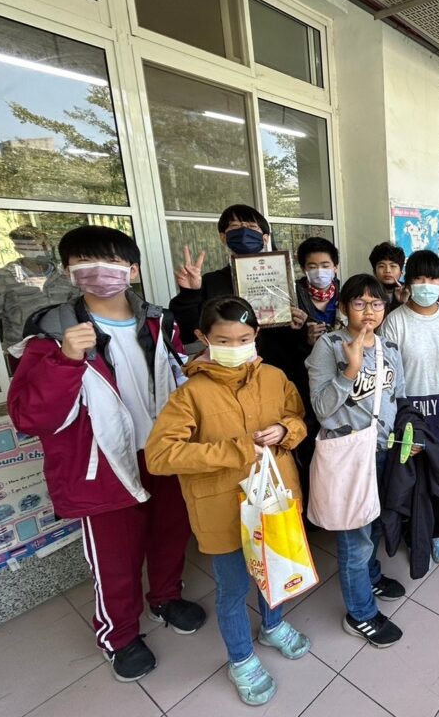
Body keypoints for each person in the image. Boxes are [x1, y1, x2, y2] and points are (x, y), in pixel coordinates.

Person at [7, 226, 205, 683]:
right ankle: (119, 636)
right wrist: (65, 360)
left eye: (112, 262)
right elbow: (30, 416)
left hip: (163, 453)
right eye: (85, 262)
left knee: (170, 534)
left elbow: (178, 377)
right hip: (103, 464)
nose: (99, 272)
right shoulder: (51, 333)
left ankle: (165, 598)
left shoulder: (159, 322)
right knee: (115, 557)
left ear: (132, 270)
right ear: (68, 270)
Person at [146, 296, 311, 705]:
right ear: (203, 338)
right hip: (223, 509)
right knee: (233, 588)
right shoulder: (191, 394)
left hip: (273, 501)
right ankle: (241, 658)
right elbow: (160, 455)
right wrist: (234, 450)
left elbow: (298, 419)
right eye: (223, 340)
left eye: (243, 339)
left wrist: (284, 430)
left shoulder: (274, 376)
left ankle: (272, 626)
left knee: (275, 570)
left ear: (256, 336)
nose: (235, 347)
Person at [307, 275, 408, 648]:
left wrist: (405, 438)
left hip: (382, 452)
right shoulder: (328, 345)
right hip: (348, 455)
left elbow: (398, 397)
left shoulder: (389, 347)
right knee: (355, 537)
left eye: (377, 303)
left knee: (375, 521)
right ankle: (360, 614)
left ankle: (371, 576)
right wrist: (350, 370)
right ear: (344, 307)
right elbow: (321, 409)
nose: (369, 311)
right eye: (360, 303)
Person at [381, 250, 439, 564]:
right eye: (419, 278)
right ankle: (414, 531)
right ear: (408, 282)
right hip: (410, 416)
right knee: (413, 480)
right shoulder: (395, 321)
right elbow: (388, 375)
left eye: (433, 278)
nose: (426, 285)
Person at [259, 236, 341, 499]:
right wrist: (302, 339)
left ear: (335, 267)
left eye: (325, 265)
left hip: (340, 380)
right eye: (312, 266)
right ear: (303, 268)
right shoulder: (288, 296)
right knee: (308, 442)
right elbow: (273, 347)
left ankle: (335, 497)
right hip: (302, 382)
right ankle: (311, 499)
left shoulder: (346, 296)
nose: (319, 271)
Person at [170, 205, 311, 347]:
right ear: (223, 237)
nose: (244, 231)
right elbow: (186, 334)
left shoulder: (283, 280)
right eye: (235, 226)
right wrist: (189, 294)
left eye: (252, 226)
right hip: (229, 359)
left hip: (278, 359)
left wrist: (301, 325)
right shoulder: (210, 282)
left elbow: (299, 337)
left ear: (265, 238)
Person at [0, 225, 78, 357]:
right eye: (32, 247)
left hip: (64, 347)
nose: (41, 250)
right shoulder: (3, 277)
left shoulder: (65, 275)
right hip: (22, 351)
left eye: (44, 245)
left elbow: (79, 307)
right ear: (19, 250)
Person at [369, 242, 409, 313]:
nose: (387, 270)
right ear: (374, 272)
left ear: (401, 272)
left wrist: (404, 303)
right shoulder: (367, 293)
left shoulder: (410, 293)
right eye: (381, 266)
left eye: (393, 266)